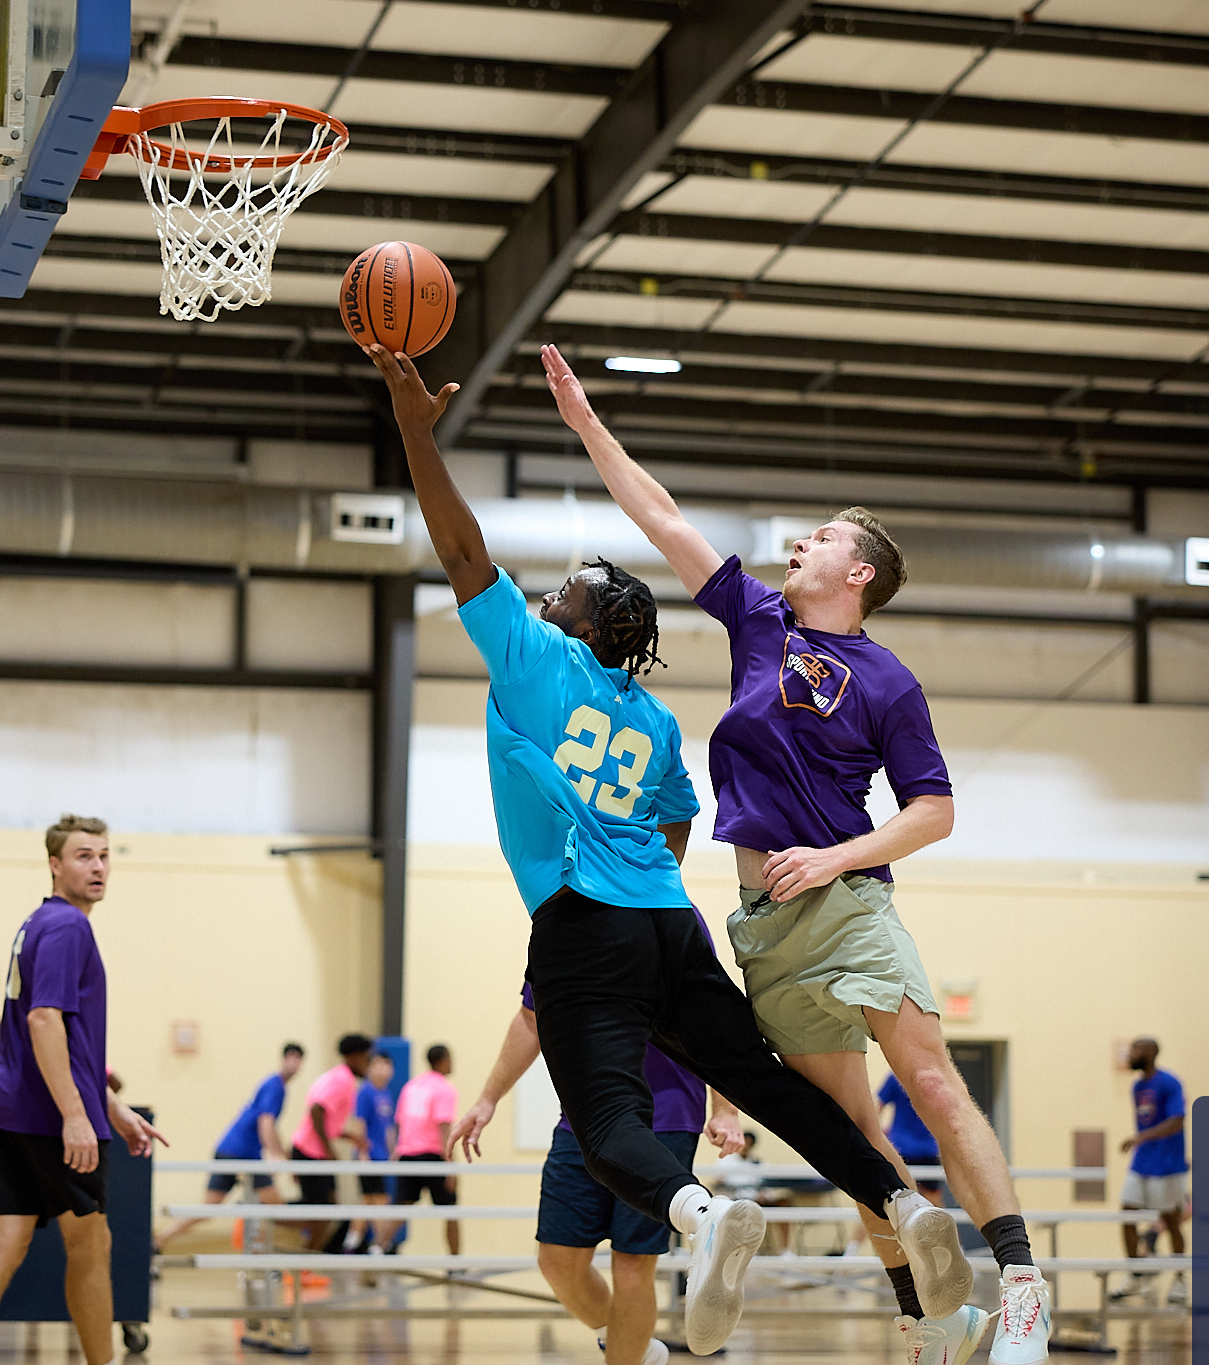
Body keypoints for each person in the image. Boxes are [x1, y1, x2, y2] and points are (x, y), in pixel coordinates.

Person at [368, 343, 966, 1357]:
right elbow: (679, 817)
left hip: (582, 918)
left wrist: (417, 436)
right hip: (667, 918)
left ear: (588, 624)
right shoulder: (649, 718)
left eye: (566, 592)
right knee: (768, 1083)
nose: (551, 596)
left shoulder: (533, 658)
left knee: (604, 1122)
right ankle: (900, 1202)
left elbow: (460, 547)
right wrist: (637, 859)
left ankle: (700, 1212)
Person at [539, 344, 1042, 1364]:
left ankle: (1024, 1286)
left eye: (820, 538)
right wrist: (587, 423)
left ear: (857, 574)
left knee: (931, 1082)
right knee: (851, 1134)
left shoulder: (888, 680)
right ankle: (933, 1319)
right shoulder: (758, 620)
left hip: (846, 903)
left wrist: (835, 856)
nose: (798, 544)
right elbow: (662, 518)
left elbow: (934, 811)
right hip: (763, 925)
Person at [448, 976, 776, 1365]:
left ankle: (704, 1224)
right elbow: (530, 1019)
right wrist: (487, 1100)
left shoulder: (673, 932)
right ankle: (633, 1344)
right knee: (557, 1262)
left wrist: (725, 1108)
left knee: (633, 1265)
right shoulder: (554, 942)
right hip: (584, 1115)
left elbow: (712, 1016)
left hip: (664, 1115)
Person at [0, 815, 166, 1365]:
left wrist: (110, 1106)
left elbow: (62, 1038)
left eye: (104, 856)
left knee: (3, 1244)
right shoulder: (69, 926)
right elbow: (44, 1020)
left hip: (10, 1108)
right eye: (84, 856)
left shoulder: (39, 923)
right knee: (91, 1247)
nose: (98, 867)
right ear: (54, 864)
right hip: (47, 1117)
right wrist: (75, 1114)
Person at [154, 1043, 303, 1249]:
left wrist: (283, 1153)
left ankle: (160, 1239)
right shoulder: (275, 1086)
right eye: (291, 1058)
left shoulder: (276, 1086)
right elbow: (266, 1123)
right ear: (283, 1059)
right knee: (274, 1206)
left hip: (232, 1150)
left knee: (211, 1208)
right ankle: (262, 1252)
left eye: (298, 1059)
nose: (294, 1063)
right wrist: (276, 1157)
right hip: (242, 1153)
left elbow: (270, 1127)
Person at [1112, 1038, 1186, 1306]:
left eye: (1137, 1049)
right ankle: (1136, 1275)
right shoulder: (1137, 1086)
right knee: (1127, 1213)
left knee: (1171, 1221)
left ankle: (1180, 1279)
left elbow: (1177, 1120)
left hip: (1167, 1163)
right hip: (1142, 1162)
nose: (1132, 1054)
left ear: (1151, 1052)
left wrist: (1141, 1137)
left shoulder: (1169, 1082)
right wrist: (1141, 1141)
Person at [289, 1034, 371, 1254]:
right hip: (310, 1152)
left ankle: (306, 1261)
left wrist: (348, 1136)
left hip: (310, 1150)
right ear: (354, 1057)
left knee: (326, 1211)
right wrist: (328, 1149)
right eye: (366, 1058)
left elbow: (328, 1120)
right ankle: (261, 1214)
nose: (368, 1063)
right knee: (322, 1213)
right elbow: (317, 1110)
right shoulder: (341, 1080)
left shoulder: (340, 1077)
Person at [392, 1045, 461, 1255]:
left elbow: (399, 1123)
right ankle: (455, 1262)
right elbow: (444, 1127)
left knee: (401, 1207)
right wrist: (451, 1165)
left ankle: (376, 1248)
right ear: (442, 1060)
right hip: (432, 1154)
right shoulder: (444, 1089)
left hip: (407, 1153)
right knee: (450, 1210)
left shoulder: (411, 1086)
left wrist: (397, 1151)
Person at [347, 1051, 398, 1253]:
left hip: (381, 1156)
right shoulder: (365, 1092)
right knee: (379, 1200)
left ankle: (351, 1243)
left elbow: (388, 1128)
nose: (382, 1069)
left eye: (386, 1065)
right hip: (368, 1156)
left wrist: (393, 1153)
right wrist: (363, 1155)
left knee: (367, 1201)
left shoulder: (385, 1094)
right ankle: (380, 1245)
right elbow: (359, 1123)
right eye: (378, 1064)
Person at [878, 1072, 945, 1201]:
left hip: (901, 1148)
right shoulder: (935, 1077)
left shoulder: (896, 1077)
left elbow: (877, 1107)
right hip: (927, 1149)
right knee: (933, 1200)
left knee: (895, 1199)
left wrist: (879, 1133)